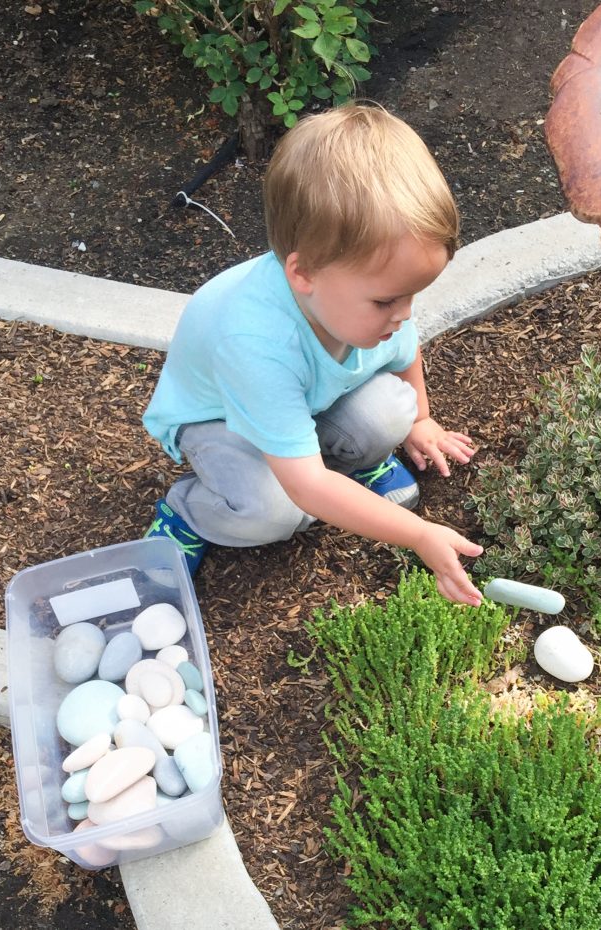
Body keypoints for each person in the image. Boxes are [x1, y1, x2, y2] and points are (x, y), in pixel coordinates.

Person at [141, 104, 484, 606]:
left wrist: (422, 423)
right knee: (276, 512)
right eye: (388, 300)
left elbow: (404, 355)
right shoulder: (256, 344)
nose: (405, 314)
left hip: (302, 402)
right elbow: (306, 489)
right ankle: (187, 512)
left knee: (393, 409)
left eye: (413, 294)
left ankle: (348, 464)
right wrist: (417, 533)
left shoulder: (355, 299)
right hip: (221, 422)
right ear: (303, 274)